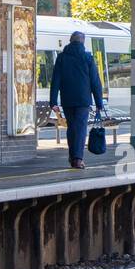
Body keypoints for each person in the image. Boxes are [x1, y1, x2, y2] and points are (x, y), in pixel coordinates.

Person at [49, 31, 106, 169]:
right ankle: (78, 159)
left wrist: (53, 102)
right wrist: (99, 102)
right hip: (83, 100)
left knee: (72, 128)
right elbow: (95, 82)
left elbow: (55, 80)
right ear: (82, 42)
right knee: (80, 129)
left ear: (70, 41)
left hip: (67, 99)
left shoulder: (62, 58)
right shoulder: (87, 57)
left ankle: (72, 156)